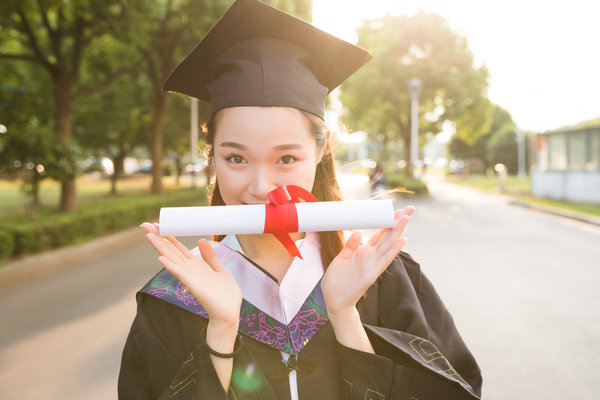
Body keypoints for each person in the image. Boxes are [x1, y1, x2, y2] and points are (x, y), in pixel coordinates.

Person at [118, 1, 482, 399]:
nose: (260, 187)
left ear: (321, 151)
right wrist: (221, 332)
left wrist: (345, 317)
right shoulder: (176, 298)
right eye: (235, 158)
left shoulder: (379, 276)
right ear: (212, 156)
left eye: (286, 159)